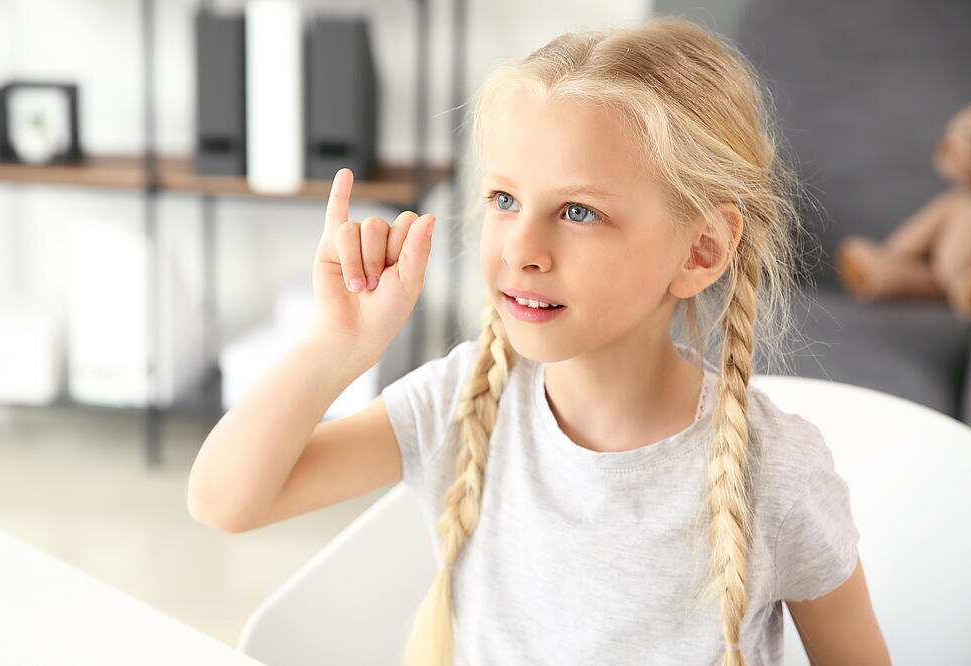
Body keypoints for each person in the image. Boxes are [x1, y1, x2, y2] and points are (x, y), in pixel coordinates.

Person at [188, 15, 891, 666]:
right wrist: (337, 343)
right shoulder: (463, 405)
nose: (521, 247)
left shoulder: (778, 474)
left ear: (701, 251)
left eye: (579, 211)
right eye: (504, 200)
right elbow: (226, 500)